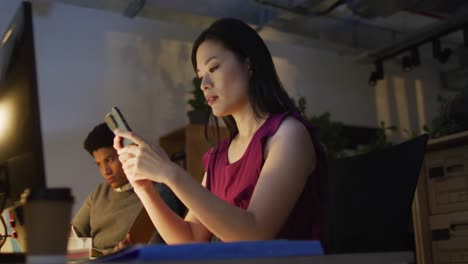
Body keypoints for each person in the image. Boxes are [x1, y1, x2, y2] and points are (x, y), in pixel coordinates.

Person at [113, 18, 327, 247]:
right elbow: (190, 240)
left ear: (249, 63)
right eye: (200, 76)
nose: (204, 83)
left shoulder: (288, 135)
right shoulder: (219, 156)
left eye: (213, 68)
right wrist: (144, 188)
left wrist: (169, 172)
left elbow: (255, 234)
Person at [72, 123, 185, 253]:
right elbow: (74, 236)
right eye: (99, 164)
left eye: (109, 160)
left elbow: (157, 247)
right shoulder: (98, 194)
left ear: (127, 152)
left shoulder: (156, 191)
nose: (105, 171)